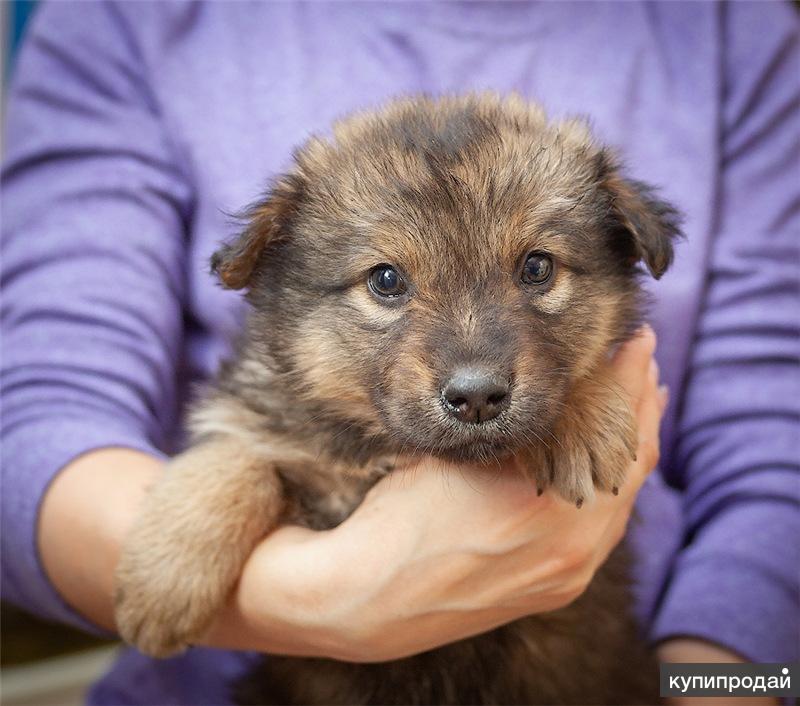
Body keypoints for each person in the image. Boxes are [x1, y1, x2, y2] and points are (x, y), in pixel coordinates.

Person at [1, 2, 797, 705]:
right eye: (386, 282)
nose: (476, 371)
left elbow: (777, 459)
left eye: (536, 270)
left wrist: (726, 687)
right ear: (272, 286)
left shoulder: (737, 26)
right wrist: (311, 596)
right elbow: (33, 418)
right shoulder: (123, 16)